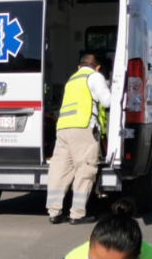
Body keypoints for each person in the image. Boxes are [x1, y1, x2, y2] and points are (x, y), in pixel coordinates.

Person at [47, 53, 112, 226]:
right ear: (96, 67)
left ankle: (54, 212)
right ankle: (77, 214)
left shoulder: (72, 80)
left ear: (78, 67)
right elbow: (107, 102)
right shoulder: (95, 77)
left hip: (63, 129)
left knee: (60, 171)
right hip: (83, 128)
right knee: (84, 170)